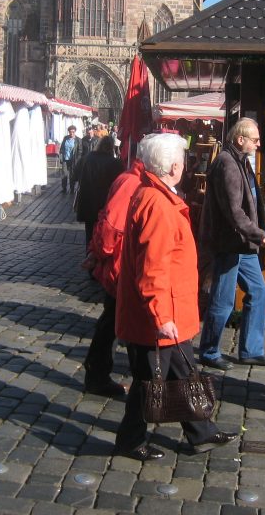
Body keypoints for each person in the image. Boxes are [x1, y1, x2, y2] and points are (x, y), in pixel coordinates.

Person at [113, 133, 237, 460]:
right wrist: (161, 316)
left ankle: (202, 433)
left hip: (170, 311)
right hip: (158, 316)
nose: (186, 165)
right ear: (173, 166)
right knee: (147, 383)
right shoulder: (157, 203)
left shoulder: (158, 196)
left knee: (182, 373)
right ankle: (130, 440)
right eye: (183, 161)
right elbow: (152, 268)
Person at [198, 118, 265, 370]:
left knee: (258, 290)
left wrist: (255, 234)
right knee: (222, 300)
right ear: (240, 139)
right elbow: (233, 212)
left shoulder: (240, 161)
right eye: (254, 139)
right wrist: (258, 234)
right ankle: (209, 351)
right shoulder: (227, 164)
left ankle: (251, 350)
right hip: (229, 243)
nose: (258, 143)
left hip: (242, 243)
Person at [81, 157, 147, 397]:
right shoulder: (131, 182)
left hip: (122, 263)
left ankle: (97, 373)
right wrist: (98, 253)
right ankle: (144, 385)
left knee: (112, 321)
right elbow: (111, 226)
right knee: (125, 323)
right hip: (121, 264)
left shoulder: (136, 179)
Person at [75, 135, 124, 245]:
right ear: (111, 147)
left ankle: (89, 257)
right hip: (104, 204)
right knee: (103, 237)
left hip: (87, 202)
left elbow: (75, 175)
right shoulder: (115, 163)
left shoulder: (87, 158)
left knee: (89, 234)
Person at [58, 125, 80, 195]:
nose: (71, 133)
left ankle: (72, 188)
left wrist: (77, 160)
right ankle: (64, 188)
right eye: (70, 132)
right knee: (64, 174)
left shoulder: (78, 140)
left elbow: (80, 151)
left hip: (73, 160)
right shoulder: (65, 138)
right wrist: (61, 155)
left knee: (72, 175)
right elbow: (61, 148)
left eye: (73, 132)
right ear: (68, 132)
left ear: (75, 132)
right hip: (65, 159)